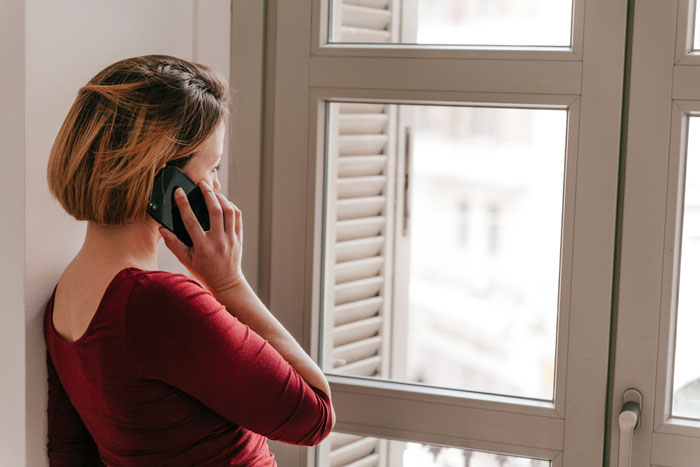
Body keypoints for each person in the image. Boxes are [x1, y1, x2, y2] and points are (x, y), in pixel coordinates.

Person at [44, 55, 334, 466]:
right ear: (165, 182)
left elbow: (69, 455)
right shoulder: (157, 302)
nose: (216, 187)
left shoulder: (65, 297)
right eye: (211, 168)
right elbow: (314, 415)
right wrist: (229, 283)